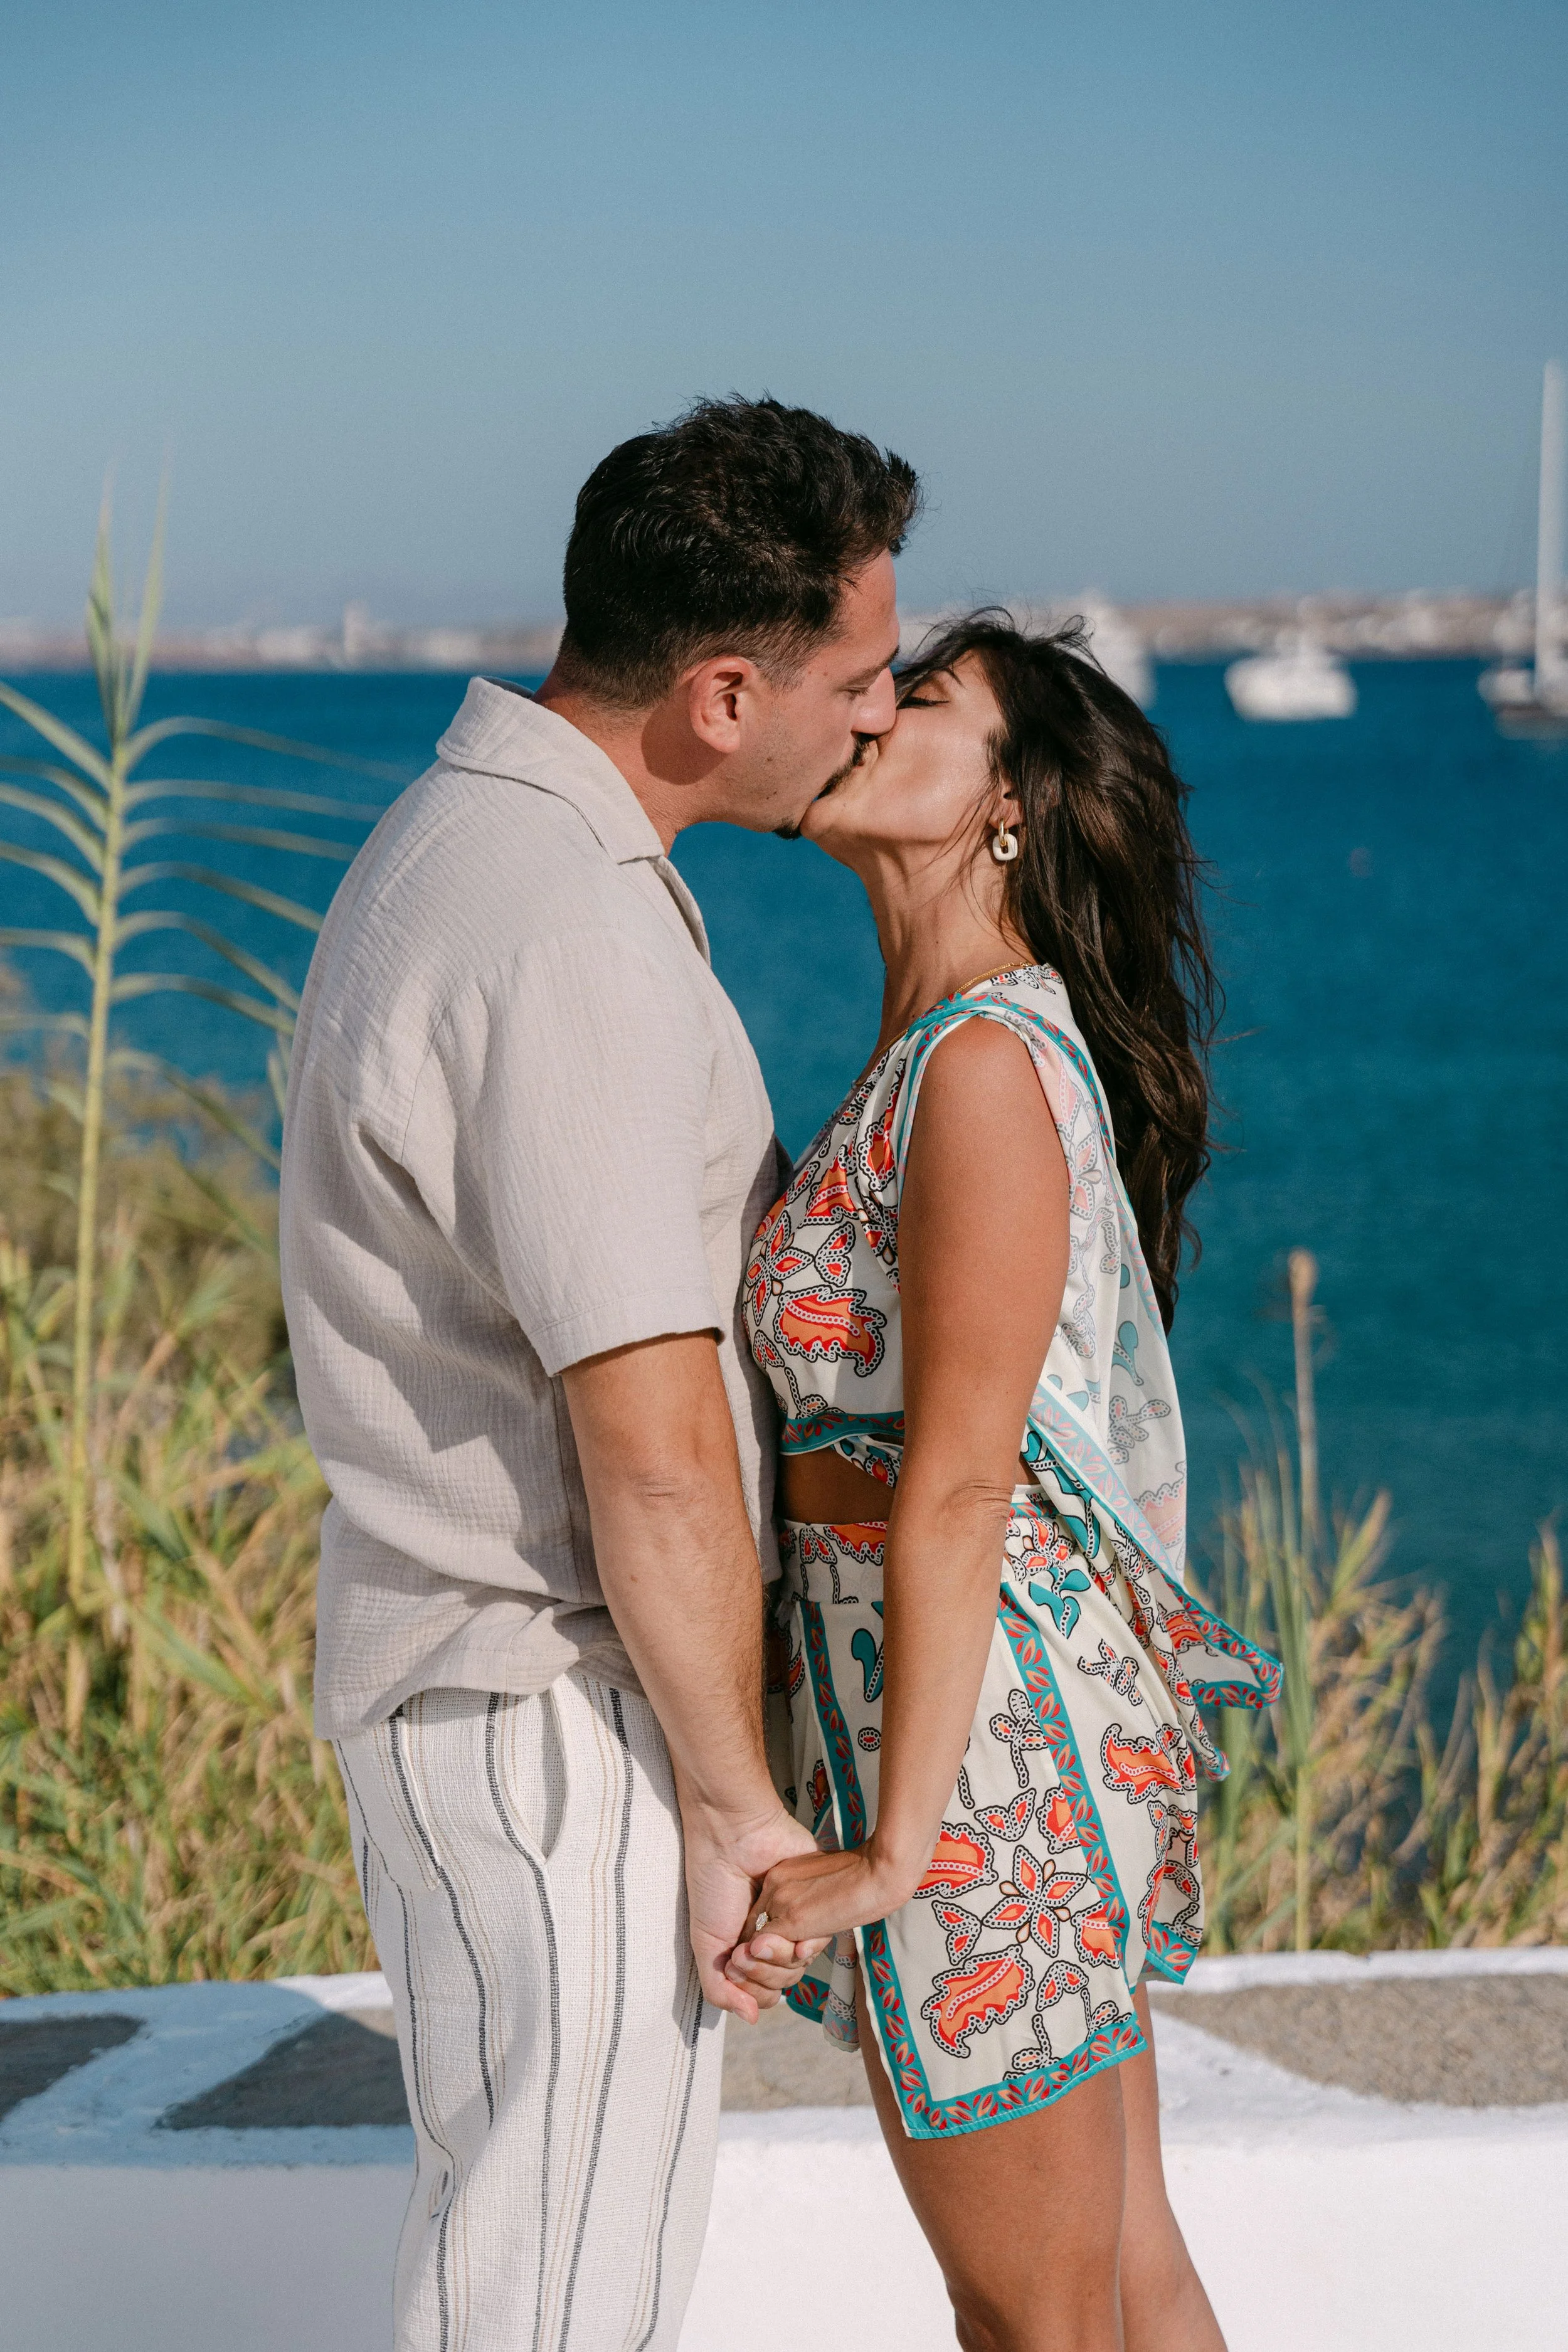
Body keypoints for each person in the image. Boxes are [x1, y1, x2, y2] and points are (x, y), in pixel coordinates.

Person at [278, 395, 919, 2351]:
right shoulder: (564, 928)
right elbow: (645, 1445)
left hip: (502, 1695)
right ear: (725, 693)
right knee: (557, 2290)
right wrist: (736, 1800)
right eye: (864, 675)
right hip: (550, 1708)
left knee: (538, 2262)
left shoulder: (483, 847)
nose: (879, 719)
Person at [727, 615, 1281, 2351]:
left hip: (974, 1760)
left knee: (1036, 2314)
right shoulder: (948, 1049)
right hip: (999, 1731)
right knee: (1113, 2286)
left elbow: (954, 1484)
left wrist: (892, 1850)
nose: (870, 717)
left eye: (925, 704)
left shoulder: (974, 1067)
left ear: (1009, 806)